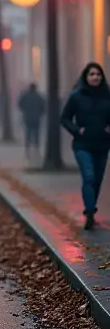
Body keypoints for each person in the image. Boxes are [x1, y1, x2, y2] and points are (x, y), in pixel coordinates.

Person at [59, 62, 110, 229]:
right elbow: (65, 118)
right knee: (89, 176)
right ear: (86, 77)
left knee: (97, 180)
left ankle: (91, 210)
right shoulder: (76, 96)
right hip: (82, 145)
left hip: (102, 144)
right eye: (92, 74)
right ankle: (89, 212)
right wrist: (77, 130)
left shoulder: (107, 95)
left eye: (98, 74)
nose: (95, 77)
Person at [18, 82, 46, 155]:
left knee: (28, 133)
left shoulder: (25, 96)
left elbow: (20, 105)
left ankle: (27, 148)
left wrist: (25, 111)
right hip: (36, 118)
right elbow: (43, 107)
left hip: (28, 118)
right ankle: (36, 148)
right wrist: (40, 114)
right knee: (36, 134)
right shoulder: (39, 97)